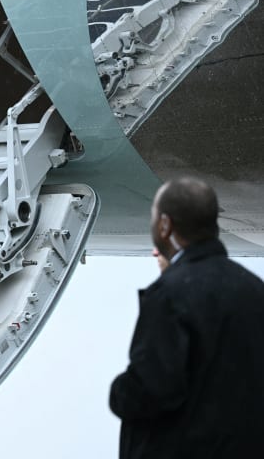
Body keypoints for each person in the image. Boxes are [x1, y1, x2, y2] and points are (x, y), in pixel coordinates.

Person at [109, 177, 264, 459]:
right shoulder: (255, 289)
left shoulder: (170, 293)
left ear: (165, 226)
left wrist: (120, 391)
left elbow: (151, 391)